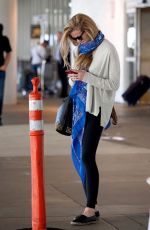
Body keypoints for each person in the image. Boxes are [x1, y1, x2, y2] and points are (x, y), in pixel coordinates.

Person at [60, 13, 120, 225]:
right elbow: (76, 81)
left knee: (86, 155)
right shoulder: (79, 49)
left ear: (89, 29)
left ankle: (89, 208)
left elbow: (113, 84)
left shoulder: (108, 50)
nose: (77, 42)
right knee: (80, 154)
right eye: (74, 39)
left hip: (96, 109)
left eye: (79, 37)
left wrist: (87, 77)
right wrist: (74, 78)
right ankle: (91, 207)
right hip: (79, 108)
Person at [0, 23, 12, 126]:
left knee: (0, 95)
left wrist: (5, 65)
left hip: (1, 70)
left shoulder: (4, 39)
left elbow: (8, 53)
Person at [55, 31, 69, 98]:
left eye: (58, 36)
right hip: (59, 63)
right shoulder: (58, 43)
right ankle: (63, 93)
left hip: (63, 64)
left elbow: (65, 54)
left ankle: (64, 93)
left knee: (63, 79)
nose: (57, 37)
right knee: (61, 78)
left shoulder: (64, 43)